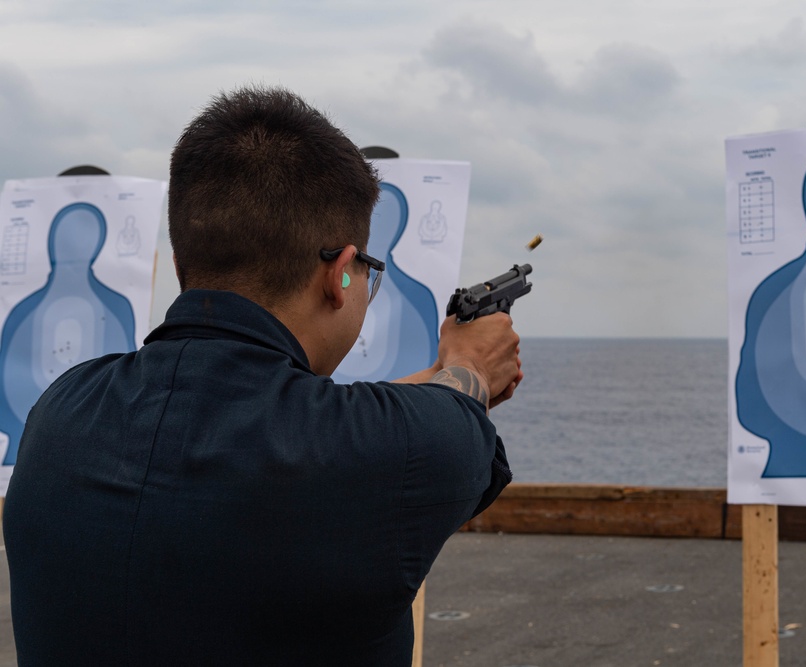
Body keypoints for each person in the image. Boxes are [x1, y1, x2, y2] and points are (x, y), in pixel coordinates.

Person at [3, 86, 522, 666]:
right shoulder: (389, 449)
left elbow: (263, 435)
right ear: (341, 275)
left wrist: (441, 376)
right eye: (366, 274)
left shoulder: (59, 413)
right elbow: (442, 419)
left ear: (180, 265)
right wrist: (471, 364)